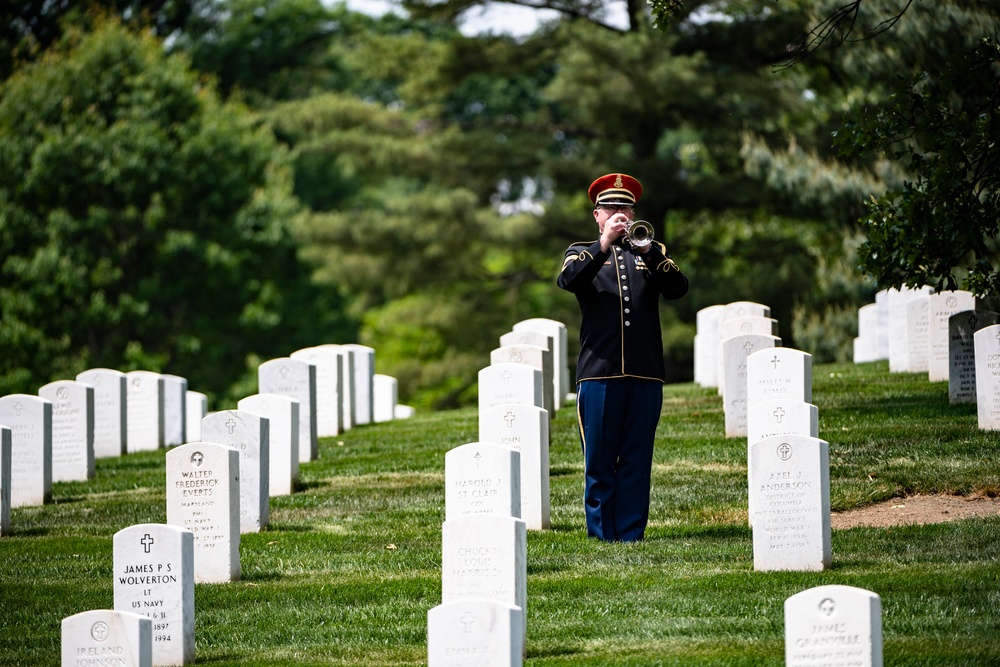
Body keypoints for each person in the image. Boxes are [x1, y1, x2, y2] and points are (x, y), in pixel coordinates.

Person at [557, 173, 688, 542]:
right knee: (598, 461)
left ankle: (630, 534)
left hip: (646, 373)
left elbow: (679, 289)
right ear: (597, 214)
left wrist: (649, 251)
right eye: (611, 208)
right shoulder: (581, 251)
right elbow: (568, 282)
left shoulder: (651, 250)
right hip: (599, 374)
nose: (619, 214)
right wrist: (603, 244)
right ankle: (601, 535)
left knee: (636, 459)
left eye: (625, 207)